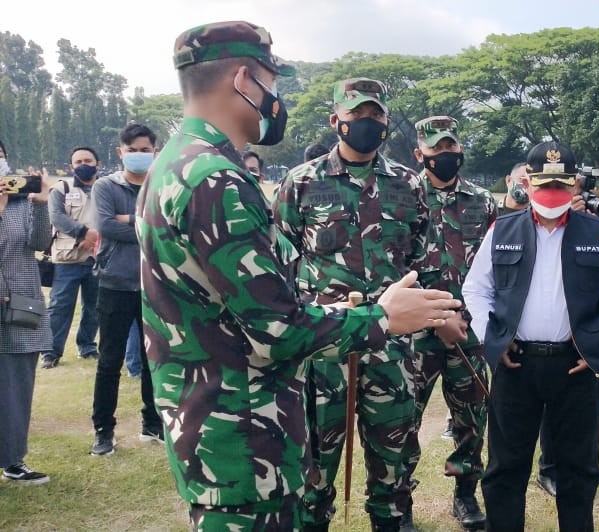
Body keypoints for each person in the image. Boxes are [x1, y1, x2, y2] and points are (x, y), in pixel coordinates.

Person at [139, 22, 458, 530]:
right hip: (243, 432)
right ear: (244, 80)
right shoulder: (217, 179)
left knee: (393, 469)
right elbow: (277, 325)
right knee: (316, 489)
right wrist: (381, 316)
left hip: (228, 424)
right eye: (272, 82)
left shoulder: (177, 163)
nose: (276, 98)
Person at [274, 78, 432, 532]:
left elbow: (420, 258)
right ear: (336, 122)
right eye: (357, 116)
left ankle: (391, 520)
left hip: (392, 343)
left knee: (394, 448)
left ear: (385, 122)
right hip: (326, 342)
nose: (367, 124)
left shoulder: (407, 184)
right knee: (316, 455)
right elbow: (280, 260)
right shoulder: (301, 182)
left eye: (375, 116)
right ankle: (312, 521)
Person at [463, 140, 599, 531]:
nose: (552, 197)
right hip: (516, 362)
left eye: (560, 188)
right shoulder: (502, 230)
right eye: (543, 188)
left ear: (574, 186)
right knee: (505, 468)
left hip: (574, 368)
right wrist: (493, 337)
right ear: (529, 185)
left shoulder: (598, 234)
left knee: (578, 469)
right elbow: (475, 290)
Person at [405, 115, 498, 530]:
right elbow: (391, 267)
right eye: (436, 149)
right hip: (413, 334)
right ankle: (397, 499)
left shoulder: (483, 200)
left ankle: (465, 495)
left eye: (451, 147)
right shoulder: (399, 199)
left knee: (471, 417)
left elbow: (496, 268)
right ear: (419, 154)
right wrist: (436, 317)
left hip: (469, 332)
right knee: (402, 420)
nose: (445, 155)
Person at [88, 123, 164, 456]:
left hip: (154, 286)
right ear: (120, 152)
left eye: (145, 150)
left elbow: (169, 227)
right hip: (115, 284)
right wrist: (144, 223)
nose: (138, 155)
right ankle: (103, 431)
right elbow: (104, 225)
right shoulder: (106, 186)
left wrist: (127, 220)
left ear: (155, 153)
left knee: (154, 361)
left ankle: (153, 424)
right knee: (109, 361)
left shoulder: (161, 186)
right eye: (132, 150)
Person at [0, 142, 53, 485]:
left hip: (18, 308)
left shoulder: (22, 203)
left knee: (16, 387)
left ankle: (12, 460)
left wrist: (42, 203)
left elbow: (39, 241)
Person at [43, 146, 102, 368]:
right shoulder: (61, 188)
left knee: (94, 306)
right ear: (71, 166)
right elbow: (56, 217)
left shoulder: (106, 187)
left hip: (97, 257)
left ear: (98, 163)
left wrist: (96, 238)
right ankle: (51, 352)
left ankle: (87, 347)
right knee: (60, 306)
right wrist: (83, 233)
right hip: (68, 257)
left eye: (88, 160)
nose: (83, 165)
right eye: (78, 162)